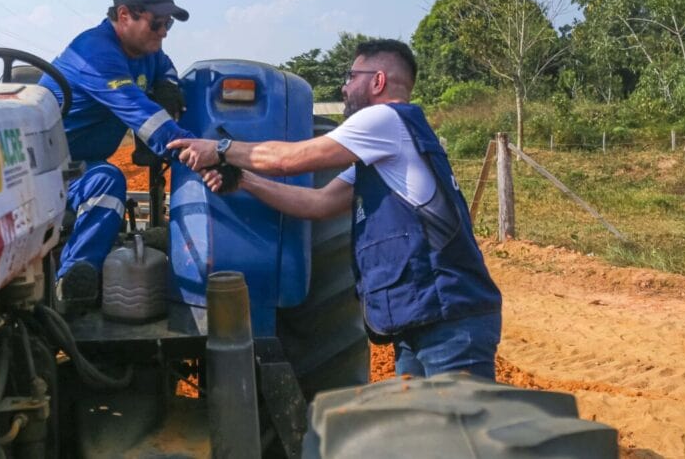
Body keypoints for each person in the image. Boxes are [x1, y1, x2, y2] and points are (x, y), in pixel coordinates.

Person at [169, 39, 502, 379]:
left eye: (351, 76)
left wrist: (220, 148)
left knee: (462, 430)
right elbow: (319, 202)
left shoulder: (385, 120)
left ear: (378, 81)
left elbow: (289, 159)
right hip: (421, 319)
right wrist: (245, 181)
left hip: (449, 320)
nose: (344, 87)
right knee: (422, 429)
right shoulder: (386, 150)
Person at [39, 0, 194, 310]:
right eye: (157, 24)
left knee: (107, 181)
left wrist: (168, 85)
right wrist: (201, 153)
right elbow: (143, 116)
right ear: (125, 16)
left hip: (82, 166)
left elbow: (163, 65)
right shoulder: (95, 52)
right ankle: (70, 287)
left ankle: (79, 277)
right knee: (107, 181)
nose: (164, 32)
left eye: (169, 24)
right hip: (40, 167)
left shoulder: (145, 49)